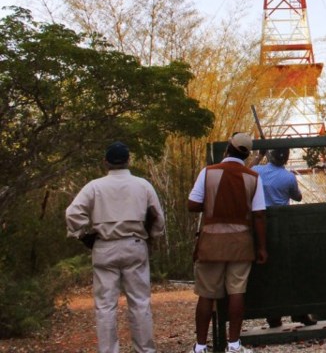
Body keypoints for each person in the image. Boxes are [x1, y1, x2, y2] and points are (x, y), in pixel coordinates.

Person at [65, 141, 166, 353]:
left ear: (106, 162)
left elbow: (73, 214)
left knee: (105, 306)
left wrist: (83, 234)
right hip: (134, 244)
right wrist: (153, 237)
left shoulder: (94, 186)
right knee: (139, 303)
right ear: (128, 160)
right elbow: (158, 218)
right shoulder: (143, 185)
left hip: (104, 246)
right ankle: (145, 350)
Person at [188, 132, 268, 353]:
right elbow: (259, 215)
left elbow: (192, 204)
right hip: (240, 243)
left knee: (206, 295)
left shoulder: (208, 173)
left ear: (227, 149)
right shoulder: (253, 177)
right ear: (246, 154)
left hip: (211, 243)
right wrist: (262, 248)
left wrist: (214, 203)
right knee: (236, 292)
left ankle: (201, 347)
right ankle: (233, 345)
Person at [251, 147, 313, 329]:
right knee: (290, 271)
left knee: (269, 274)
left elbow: (245, 171)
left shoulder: (257, 171)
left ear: (269, 156)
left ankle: (274, 316)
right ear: (286, 159)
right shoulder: (288, 177)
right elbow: (299, 197)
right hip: (283, 227)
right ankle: (299, 312)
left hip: (260, 225)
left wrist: (258, 156)